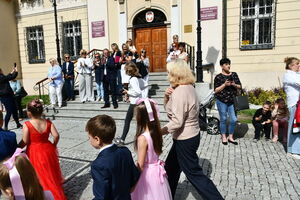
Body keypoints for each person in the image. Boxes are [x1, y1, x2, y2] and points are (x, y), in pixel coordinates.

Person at [162, 60, 223, 200]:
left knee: (194, 174)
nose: (168, 74)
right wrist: (166, 97)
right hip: (189, 136)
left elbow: (176, 121)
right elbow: (171, 111)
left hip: (185, 138)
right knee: (171, 168)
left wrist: (159, 131)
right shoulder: (188, 87)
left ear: (176, 73)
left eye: (169, 71)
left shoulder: (180, 91)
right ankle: (166, 195)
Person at [20, 99, 66, 200]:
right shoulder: (48, 122)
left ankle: (41, 193)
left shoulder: (27, 124)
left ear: (29, 112)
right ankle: (53, 190)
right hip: (47, 149)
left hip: (34, 150)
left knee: (38, 173)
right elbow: (56, 135)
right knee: (50, 172)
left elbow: (25, 141)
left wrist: (18, 147)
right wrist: (54, 145)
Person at [85, 115, 140, 200]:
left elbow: (101, 196)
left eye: (89, 138)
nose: (89, 140)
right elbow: (134, 177)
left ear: (97, 139)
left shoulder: (98, 165)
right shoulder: (125, 151)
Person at [131, 98, 172, 200]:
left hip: (147, 175)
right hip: (157, 174)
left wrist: (133, 184)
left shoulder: (142, 138)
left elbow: (140, 165)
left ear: (141, 117)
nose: (135, 117)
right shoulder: (156, 133)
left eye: (136, 115)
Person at [115, 62, 145, 145]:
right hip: (139, 101)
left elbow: (137, 91)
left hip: (134, 103)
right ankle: (145, 137)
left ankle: (122, 139)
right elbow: (144, 85)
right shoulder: (138, 77)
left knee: (128, 120)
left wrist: (127, 92)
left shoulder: (133, 79)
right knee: (141, 121)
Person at [214, 58, 241, 145]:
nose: (228, 66)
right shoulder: (218, 77)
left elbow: (240, 86)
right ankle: (224, 136)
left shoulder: (234, 74)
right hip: (221, 101)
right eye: (226, 64)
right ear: (222, 66)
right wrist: (224, 85)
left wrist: (234, 84)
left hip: (232, 101)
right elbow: (216, 90)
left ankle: (231, 136)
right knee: (224, 119)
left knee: (233, 119)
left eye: (229, 64)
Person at [283, 57, 300, 159]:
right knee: (295, 126)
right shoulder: (288, 75)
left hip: (298, 103)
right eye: (297, 64)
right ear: (290, 66)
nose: (299, 65)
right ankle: (292, 150)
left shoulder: (296, 74)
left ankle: (295, 149)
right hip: (294, 103)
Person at [0, 66, 22, 130]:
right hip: (6, 97)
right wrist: (16, 71)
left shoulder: (2, 77)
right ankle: (6, 126)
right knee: (9, 112)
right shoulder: (1, 77)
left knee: (14, 110)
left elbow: (7, 77)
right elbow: (11, 77)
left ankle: (18, 124)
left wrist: (12, 71)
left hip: (8, 96)